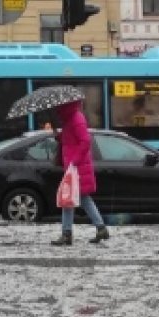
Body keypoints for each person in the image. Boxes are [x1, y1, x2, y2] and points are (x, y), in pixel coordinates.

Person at [51, 100, 109, 246]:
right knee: (77, 199)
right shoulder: (70, 119)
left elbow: (85, 141)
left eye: (59, 106)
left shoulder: (76, 118)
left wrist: (74, 161)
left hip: (76, 167)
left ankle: (67, 234)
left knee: (69, 199)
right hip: (73, 166)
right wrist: (58, 136)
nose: (57, 109)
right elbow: (71, 140)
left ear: (64, 105)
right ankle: (99, 228)